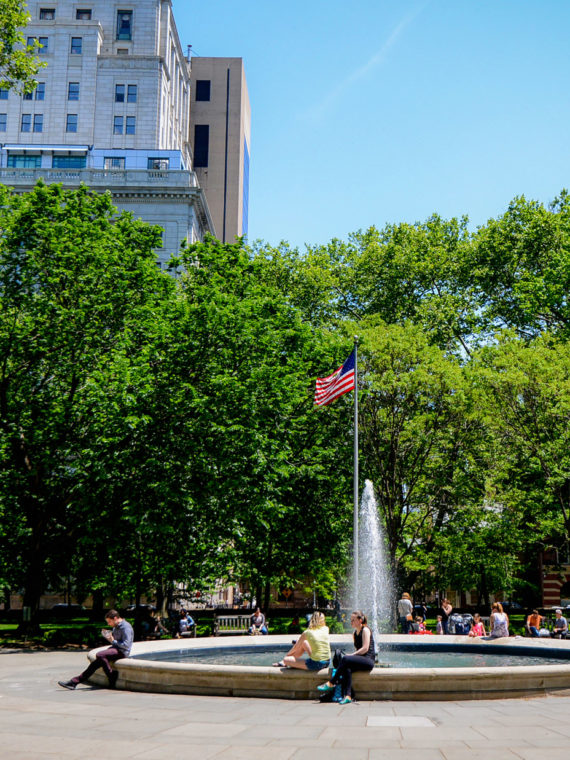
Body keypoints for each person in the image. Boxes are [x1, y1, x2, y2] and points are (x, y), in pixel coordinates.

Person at [58, 609, 133, 690]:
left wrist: (112, 640)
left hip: (122, 652)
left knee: (100, 655)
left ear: (115, 618)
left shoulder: (126, 627)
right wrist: (108, 636)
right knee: (95, 664)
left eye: (109, 621)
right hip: (115, 649)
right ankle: (74, 682)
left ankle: (111, 675)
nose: (108, 624)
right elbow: (115, 641)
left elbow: (126, 645)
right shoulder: (115, 627)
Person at [318, 610, 375, 704]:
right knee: (346, 668)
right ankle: (348, 695)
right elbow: (358, 650)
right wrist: (352, 657)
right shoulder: (354, 633)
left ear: (360, 620)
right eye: (351, 620)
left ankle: (332, 682)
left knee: (345, 659)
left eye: (353, 620)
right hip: (361, 660)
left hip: (368, 660)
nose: (351, 622)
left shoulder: (365, 630)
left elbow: (365, 648)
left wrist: (351, 655)